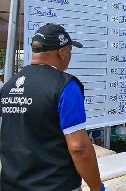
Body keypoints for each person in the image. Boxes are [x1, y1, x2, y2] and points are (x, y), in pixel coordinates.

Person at [0, 23, 103, 191]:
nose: (70, 55)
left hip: (12, 184)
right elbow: (79, 148)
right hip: (55, 185)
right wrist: (97, 188)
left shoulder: (9, 85)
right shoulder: (65, 86)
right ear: (62, 52)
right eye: (70, 50)